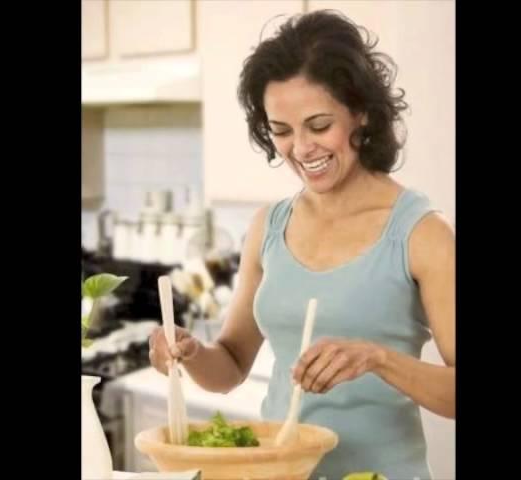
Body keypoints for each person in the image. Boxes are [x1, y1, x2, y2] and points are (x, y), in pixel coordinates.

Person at [149, 9, 454, 480]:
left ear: (362, 113)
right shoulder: (269, 226)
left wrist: (378, 358)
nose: (301, 149)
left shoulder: (421, 233)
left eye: (318, 125)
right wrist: (190, 353)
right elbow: (229, 367)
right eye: (282, 131)